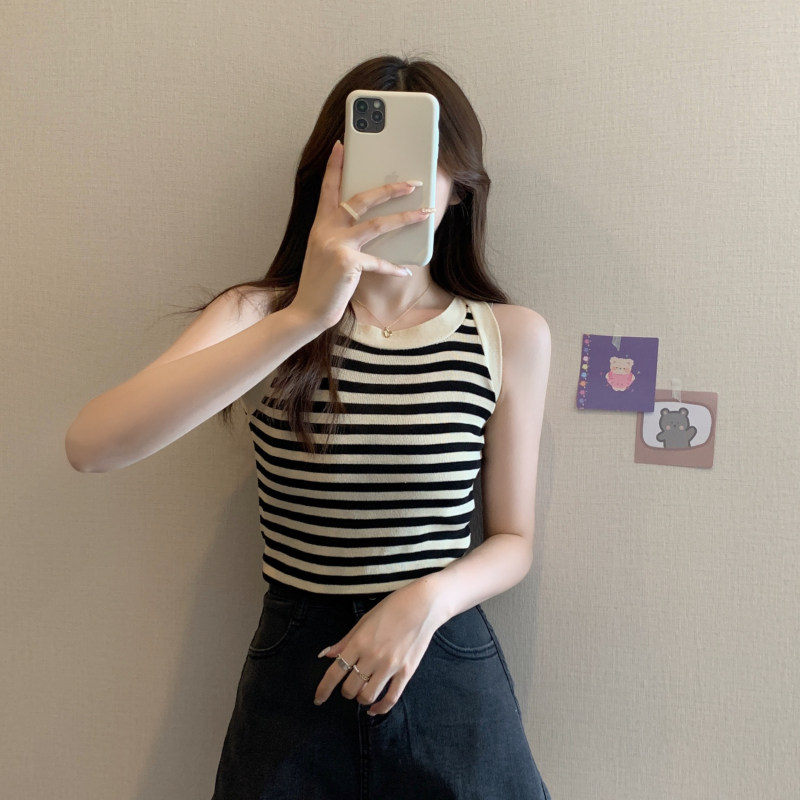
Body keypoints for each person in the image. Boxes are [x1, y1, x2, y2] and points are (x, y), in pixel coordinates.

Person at [65, 55, 552, 799]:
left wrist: (424, 602)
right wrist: (306, 317)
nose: (397, 186)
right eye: (370, 163)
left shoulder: (508, 336)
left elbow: (513, 539)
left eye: (423, 161)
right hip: (297, 672)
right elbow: (92, 446)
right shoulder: (259, 314)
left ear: (460, 186)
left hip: (442, 658)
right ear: (326, 176)